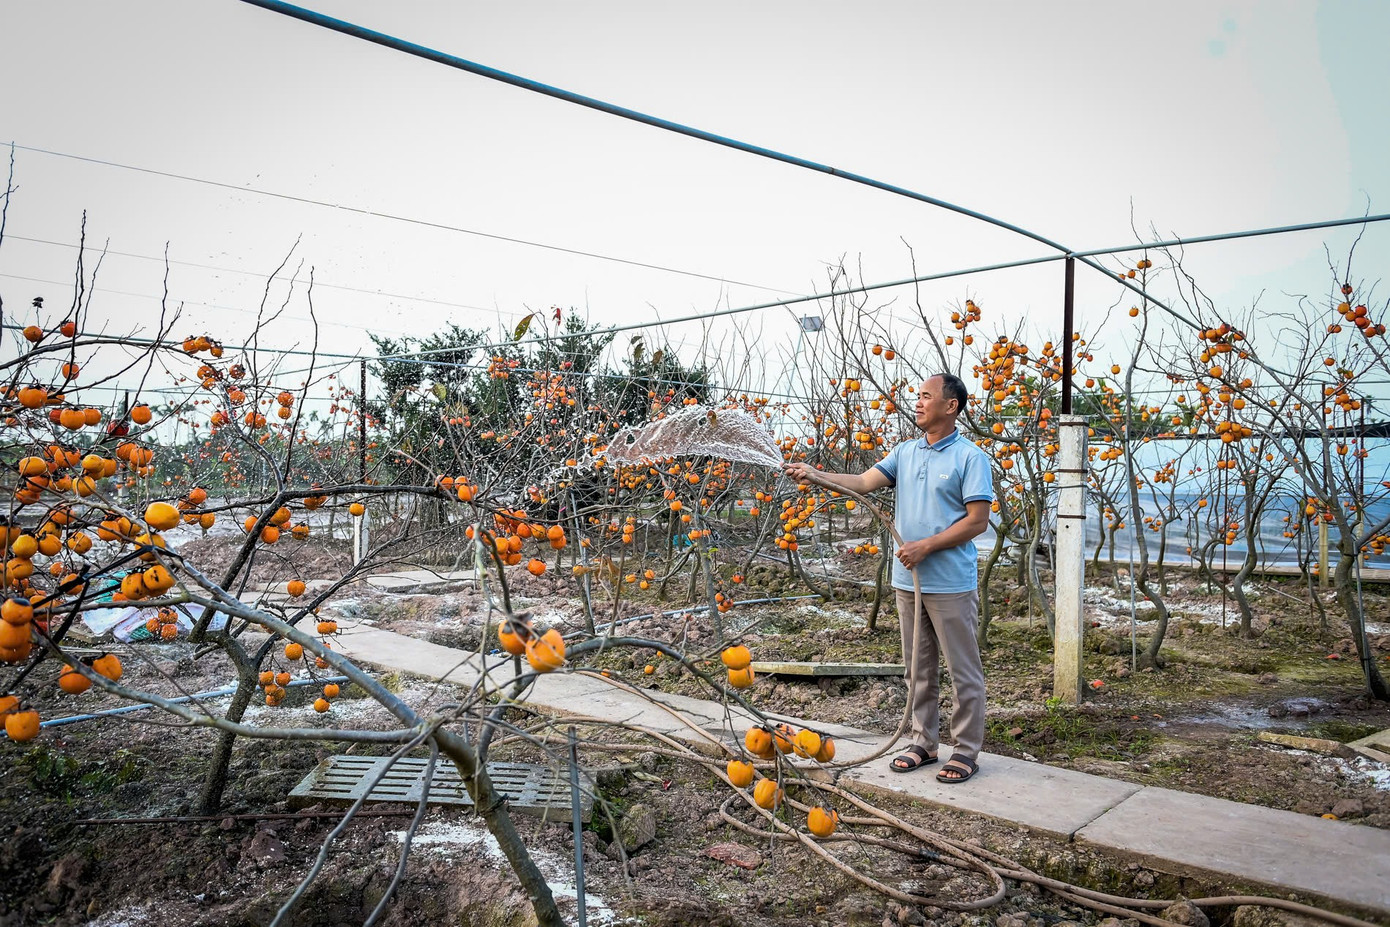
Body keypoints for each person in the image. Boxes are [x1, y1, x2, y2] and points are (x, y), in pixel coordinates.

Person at [784, 373, 992, 783]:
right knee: (918, 668)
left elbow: (977, 522)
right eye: (917, 397)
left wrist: (926, 546)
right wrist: (815, 474)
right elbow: (862, 482)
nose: (917, 403)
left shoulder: (970, 458)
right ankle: (924, 743)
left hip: (949, 583)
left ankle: (966, 750)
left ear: (951, 406)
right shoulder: (905, 452)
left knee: (963, 669)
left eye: (926, 397)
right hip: (907, 580)